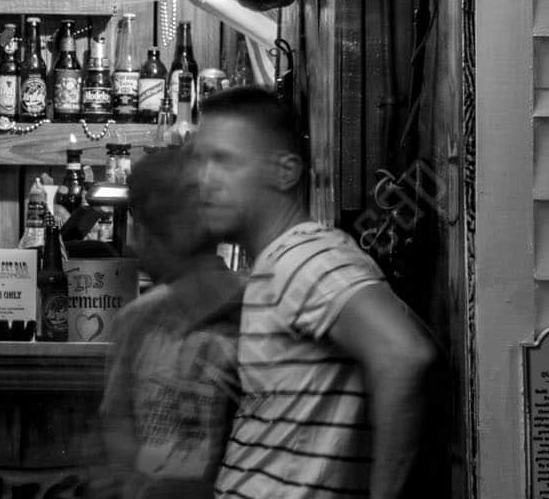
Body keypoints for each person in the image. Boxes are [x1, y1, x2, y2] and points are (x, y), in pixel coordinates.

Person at [194, 87, 436, 499]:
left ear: (285, 172)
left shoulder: (306, 256)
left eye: (224, 161)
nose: (204, 181)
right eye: (199, 161)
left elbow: (406, 356)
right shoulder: (284, 262)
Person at [99, 146, 243, 499]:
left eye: (139, 226)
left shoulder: (249, 315)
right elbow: (117, 425)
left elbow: (117, 426)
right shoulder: (137, 319)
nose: (135, 243)